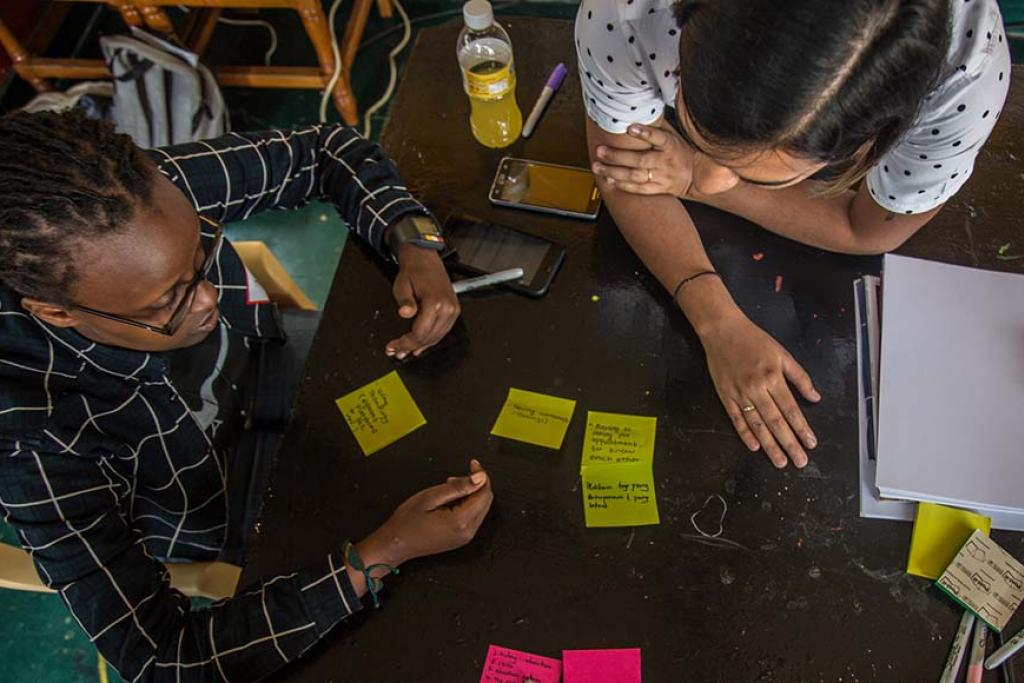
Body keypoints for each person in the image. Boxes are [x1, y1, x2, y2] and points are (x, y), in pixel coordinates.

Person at [0, 110, 494, 681]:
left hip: (282, 367)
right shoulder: (32, 443)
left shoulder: (135, 199)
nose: (210, 299)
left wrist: (411, 240)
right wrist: (382, 554)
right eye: (168, 303)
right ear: (57, 313)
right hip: (232, 503)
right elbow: (164, 658)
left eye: (201, 254)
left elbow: (323, 148)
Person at [575, 0, 1011, 470]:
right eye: (703, 133)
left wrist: (691, 179)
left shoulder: (965, 77)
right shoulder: (623, 10)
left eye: (764, 175)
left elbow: (866, 230)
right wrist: (716, 319)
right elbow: (623, 168)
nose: (714, 179)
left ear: (873, 140)